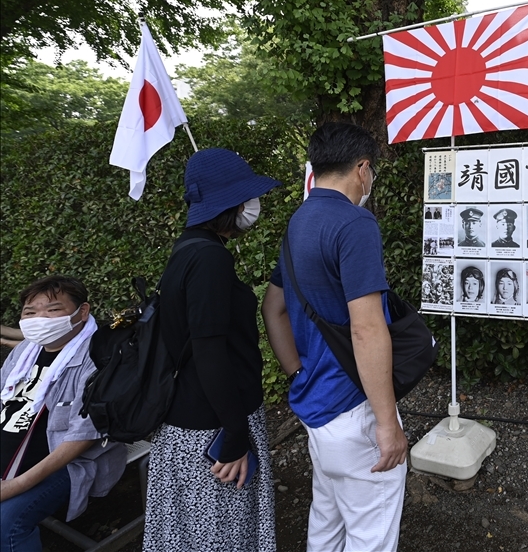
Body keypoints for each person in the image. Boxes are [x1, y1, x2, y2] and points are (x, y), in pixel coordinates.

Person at [262, 122, 407, 552]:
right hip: (352, 407)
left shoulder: (299, 221)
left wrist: (297, 372)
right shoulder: (355, 223)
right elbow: (365, 328)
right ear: (362, 168)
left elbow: (273, 307)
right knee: (370, 534)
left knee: (327, 520)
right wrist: (386, 423)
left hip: (316, 407)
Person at [144, 148, 279, 552]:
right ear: (231, 205)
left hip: (196, 421)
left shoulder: (188, 250)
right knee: (222, 536)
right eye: (246, 198)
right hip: (212, 432)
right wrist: (235, 434)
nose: (252, 207)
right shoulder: (208, 259)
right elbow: (209, 351)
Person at [0, 276, 127, 552]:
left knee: (5, 524)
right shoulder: (25, 351)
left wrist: (15, 485)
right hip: (9, 453)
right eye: (30, 312)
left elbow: (84, 437)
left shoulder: (100, 357)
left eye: (53, 310)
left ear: (82, 311)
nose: (39, 319)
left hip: (65, 464)